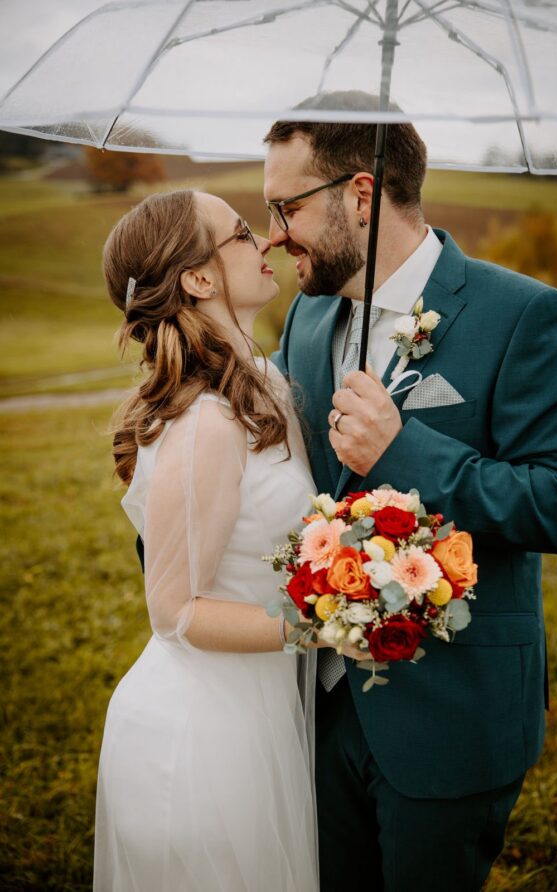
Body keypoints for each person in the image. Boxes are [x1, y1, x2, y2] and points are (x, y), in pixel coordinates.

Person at [263, 115, 557, 891]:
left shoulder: (522, 315)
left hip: (452, 714)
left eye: (287, 207)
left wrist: (402, 449)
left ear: (361, 195)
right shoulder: (308, 318)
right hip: (316, 709)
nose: (273, 234)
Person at [94, 189, 327, 891]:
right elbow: (174, 611)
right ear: (198, 278)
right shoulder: (206, 423)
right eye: (242, 233)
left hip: (255, 711)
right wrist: (323, 625)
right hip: (202, 740)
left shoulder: (263, 383)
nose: (267, 242)